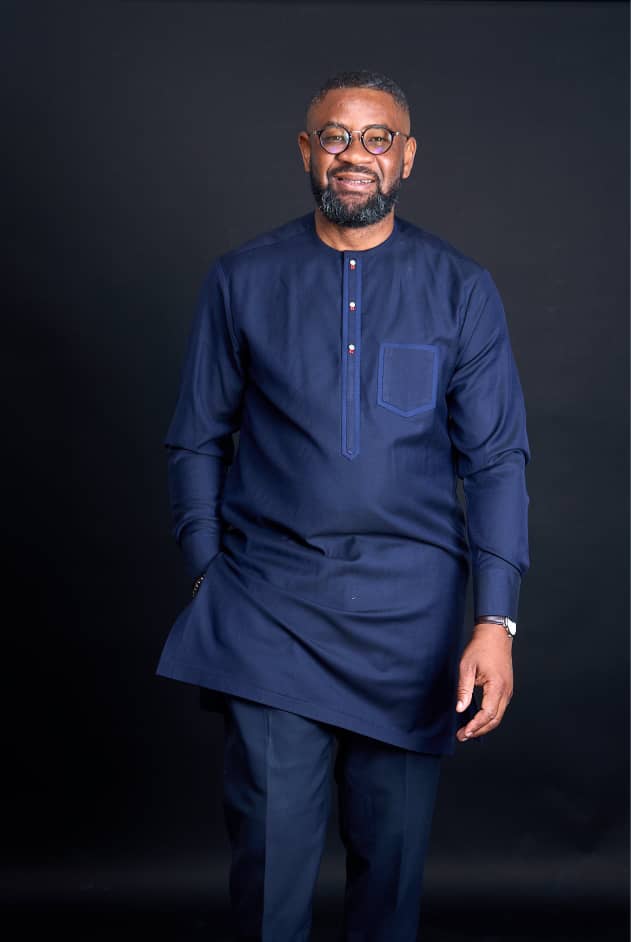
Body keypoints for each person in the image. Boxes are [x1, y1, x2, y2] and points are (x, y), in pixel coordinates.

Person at [156, 70, 530, 941]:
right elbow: (194, 440)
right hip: (268, 613)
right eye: (334, 136)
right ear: (305, 150)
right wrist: (209, 574)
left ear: (407, 157)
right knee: (269, 876)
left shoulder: (458, 287)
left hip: (411, 628)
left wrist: (494, 622)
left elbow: (496, 463)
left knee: (388, 886)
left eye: (376, 138)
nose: (353, 155)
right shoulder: (242, 279)